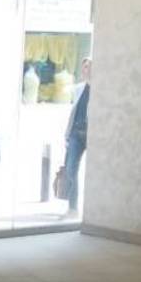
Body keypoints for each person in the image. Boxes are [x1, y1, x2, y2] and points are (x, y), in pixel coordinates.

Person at [63, 57, 92, 216]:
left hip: (92, 133)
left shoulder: (100, 90)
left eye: (89, 66)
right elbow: (73, 113)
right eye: (84, 67)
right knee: (71, 169)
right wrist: (67, 135)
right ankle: (73, 207)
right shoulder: (79, 89)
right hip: (76, 133)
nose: (86, 69)